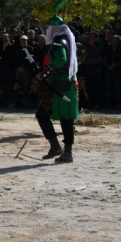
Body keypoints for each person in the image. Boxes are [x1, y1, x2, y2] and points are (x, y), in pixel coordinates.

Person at [35, 15, 79, 163]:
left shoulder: (59, 42)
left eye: (49, 27)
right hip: (59, 84)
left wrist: (44, 74)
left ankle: (66, 152)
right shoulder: (64, 40)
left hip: (61, 85)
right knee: (45, 114)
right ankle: (57, 147)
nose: (47, 29)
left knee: (65, 118)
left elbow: (61, 60)